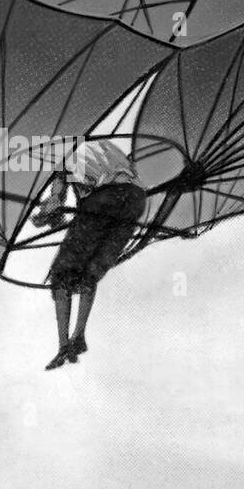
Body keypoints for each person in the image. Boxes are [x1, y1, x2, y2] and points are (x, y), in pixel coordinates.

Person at [33, 138, 147, 369]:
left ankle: (64, 345)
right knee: (89, 273)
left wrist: (42, 215)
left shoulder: (64, 160)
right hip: (135, 200)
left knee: (62, 275)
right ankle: (80, 335)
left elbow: (55, 202)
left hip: (104, 201)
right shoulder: (106, 150)